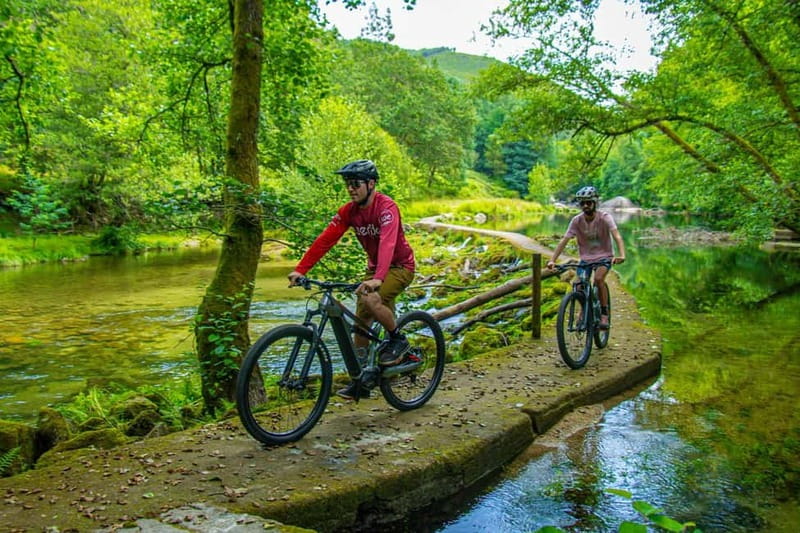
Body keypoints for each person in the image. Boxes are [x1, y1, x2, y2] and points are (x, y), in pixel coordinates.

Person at [287, 159, 415, 400]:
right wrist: (301, 269)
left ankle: (399, 340)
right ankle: (362, 380)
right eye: (348, 184)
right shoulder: (349, 212)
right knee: (361, 320)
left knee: (370, 299)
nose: (351, 189)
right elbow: (326, 239)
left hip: (400, 267)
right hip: (375, 269)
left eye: (355, 184)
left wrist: (378, 278)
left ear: (371, 183)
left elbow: (387, 243)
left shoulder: (386, 208)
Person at [546, 186, 626, 329]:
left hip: (604, 257)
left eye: (588, 202)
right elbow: (564, 241)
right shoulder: (576, 221)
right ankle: (584, 311)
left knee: (599, 279)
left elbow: (617, 236)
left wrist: (621, 255)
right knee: (579, 285)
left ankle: (604, 314)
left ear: (595, 202)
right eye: (582, 203)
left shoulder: (605, 217)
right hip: (586, 259)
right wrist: (552, 259)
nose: (585, 206)